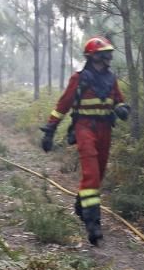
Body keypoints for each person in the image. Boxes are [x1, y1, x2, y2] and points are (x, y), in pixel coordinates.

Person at [40, 36, 130, 245]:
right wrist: (50, 130)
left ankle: (82, 205)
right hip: (84, 128)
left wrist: (122, 108)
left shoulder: (111, 79)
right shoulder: (79, 78)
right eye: (104, 55)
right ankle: (93, 223)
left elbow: (119, 100)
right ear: (93, 57)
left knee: (99, 174)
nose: (109, 58)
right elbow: (62, 105)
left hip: (105, 129)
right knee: (91, 174)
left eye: (110, 54)